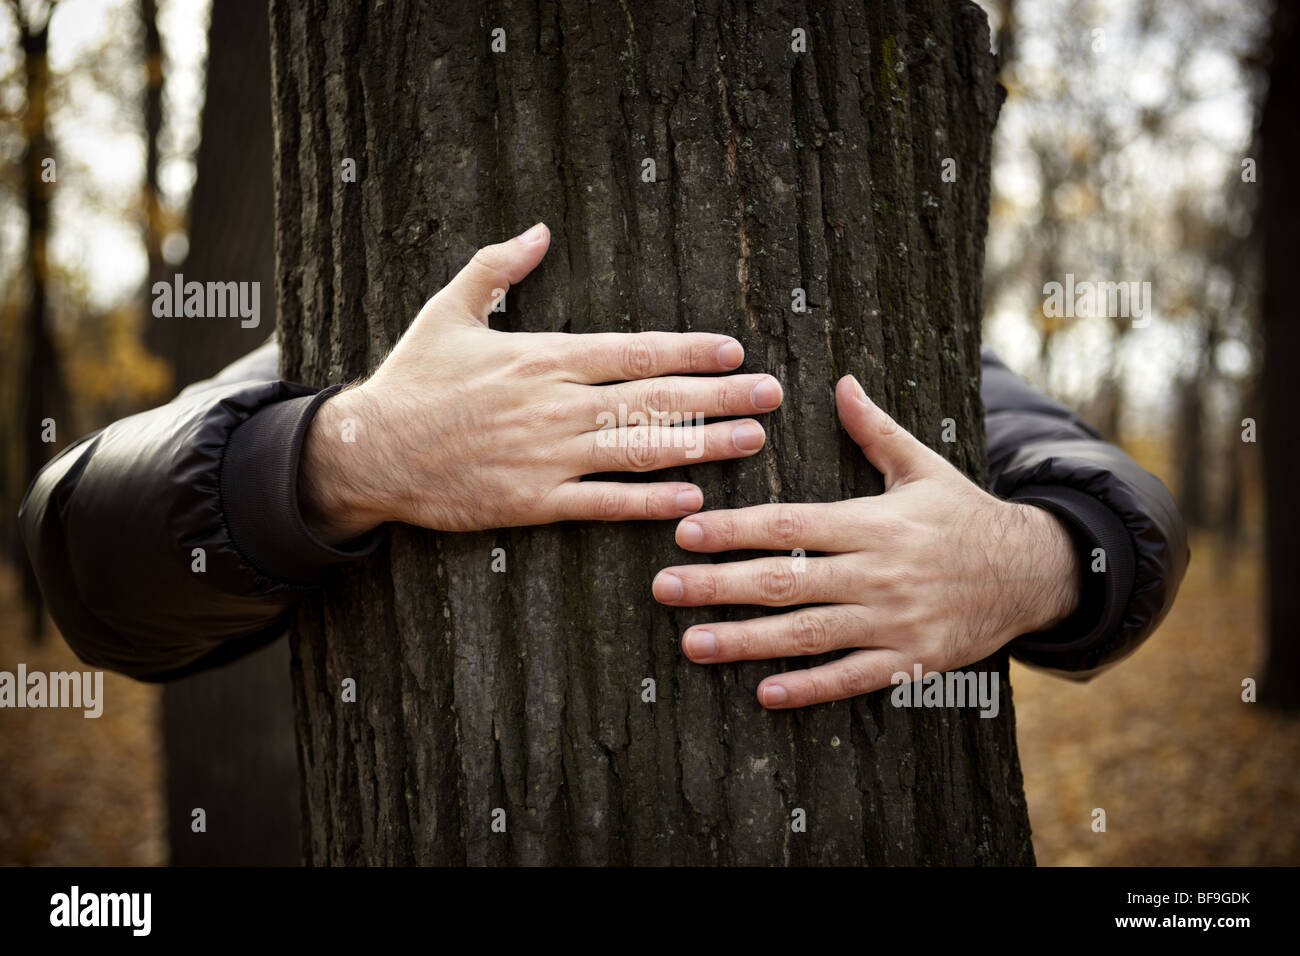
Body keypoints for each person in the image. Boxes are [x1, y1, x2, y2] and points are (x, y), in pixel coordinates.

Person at [19, 224, 1188, 706]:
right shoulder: (377, 348)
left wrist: (1035, 560)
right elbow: (77, 545)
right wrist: (344, 450)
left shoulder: (904, 357)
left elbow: (1110, 498)